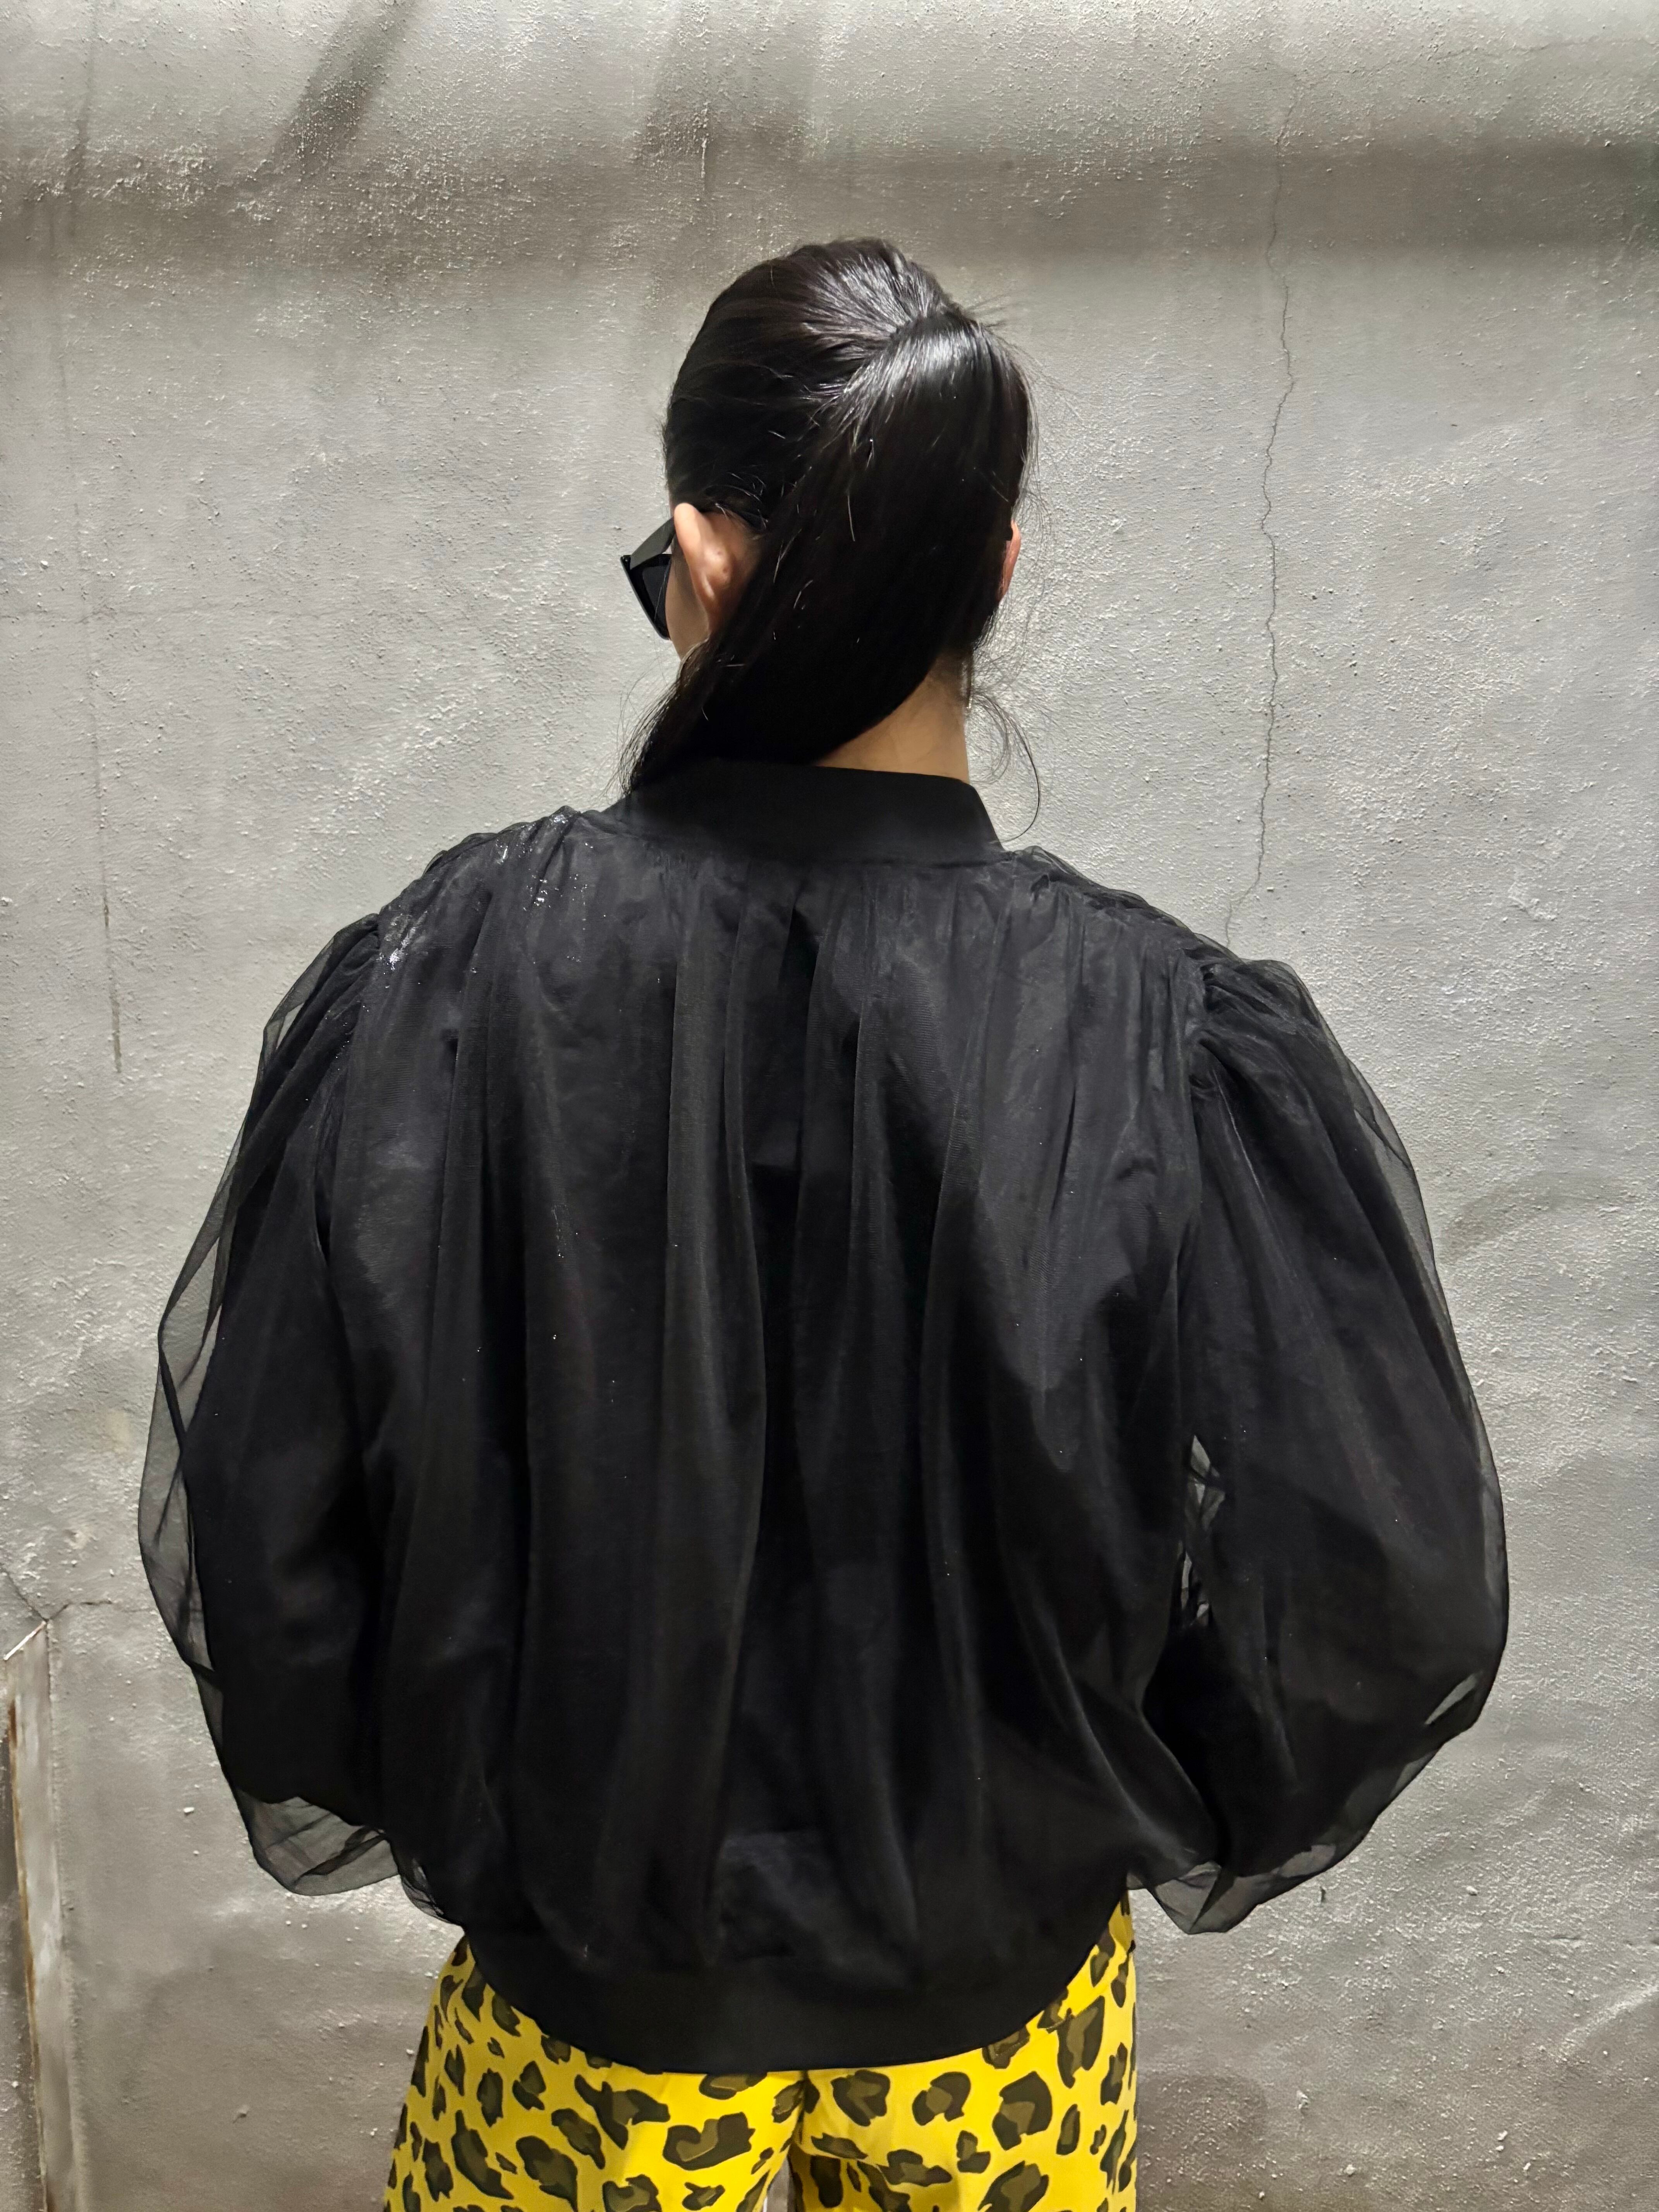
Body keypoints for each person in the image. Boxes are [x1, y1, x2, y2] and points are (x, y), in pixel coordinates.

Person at [139, 240, 1507, 2212]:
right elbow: (1389, 1596)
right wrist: (1093, 1794)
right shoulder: (1161, 1036)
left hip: (593, 2024)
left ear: (701, 560)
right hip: (1000, 2032)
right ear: (999, 571)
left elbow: (267, 1525)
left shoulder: (455, 976)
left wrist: (480, 1805)